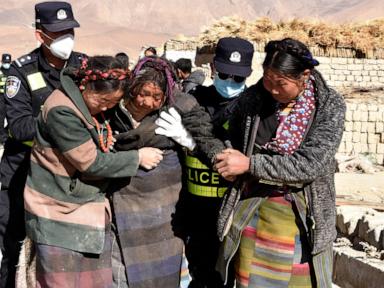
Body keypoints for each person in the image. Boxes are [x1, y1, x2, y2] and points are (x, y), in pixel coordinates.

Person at [214, 38, 346, 287]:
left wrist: (249, 164)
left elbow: (309, 165)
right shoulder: (255, 98)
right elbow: (225, 130)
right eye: (267, 79)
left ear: (304, 76)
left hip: (300, 219)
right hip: (253, 212)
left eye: (281, 84)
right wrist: (228, 157)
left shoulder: (329, 106)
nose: (272, 89)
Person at [22, 55, 162, 287]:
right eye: (103, 100)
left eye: (112, 103)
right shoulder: (62, 111)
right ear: (85, 86)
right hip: (58, 212)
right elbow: (90, 162)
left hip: (84, 210)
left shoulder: (88, 106)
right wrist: (137, 158)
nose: (106, 107)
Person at [107, 55, 224, 288]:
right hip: (121, 201)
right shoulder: (112, 104)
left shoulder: (180, 103)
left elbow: (208, 140)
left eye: (156, 97)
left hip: (163, 207)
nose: (148, 102)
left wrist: (188, 140)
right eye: (142, 94)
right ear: (132, 87)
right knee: (120, 269)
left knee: (162, 272)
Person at [0, 2, 85, 286]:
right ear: (41, 35)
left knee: (65, 254)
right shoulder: (20, 71)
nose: (66, 38)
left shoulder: (84, 67)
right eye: (58, 33)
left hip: (70, 176)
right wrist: (65, 125)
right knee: (13, 252)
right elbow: (20, 126)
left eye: (70, 30)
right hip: (22, 173)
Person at [159, 37, 254, 288]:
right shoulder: (193, 100)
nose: (230, 83)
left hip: (232, 207)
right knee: (202, 275)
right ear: (213, 69)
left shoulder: (252, 109)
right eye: (224, 75)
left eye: (238, 78)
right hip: (195, 208)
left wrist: (191, 144)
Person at [0, 53, 11, 160]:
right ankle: (2, 139)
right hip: (1, 98)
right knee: (0, 119)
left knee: (11, 117)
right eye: (5, 62)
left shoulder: (13, 71)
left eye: (8, 62)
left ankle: (8, 136)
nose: (7, 64)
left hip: (11, 98)